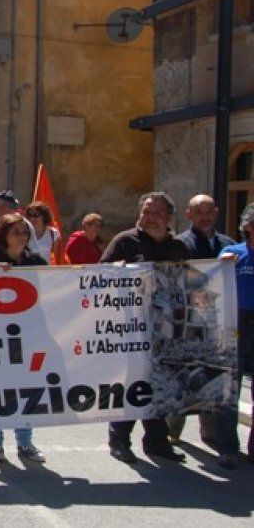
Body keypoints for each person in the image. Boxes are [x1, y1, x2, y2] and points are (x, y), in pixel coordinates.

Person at [101, 191, 188, 464]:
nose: (149, 218)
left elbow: (194, 281)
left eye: (156, 213)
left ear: (169, 217)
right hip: (130, 328)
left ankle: (156, 441)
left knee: (161, 383)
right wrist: (118, 270)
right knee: (132, 384)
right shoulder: (124, 241)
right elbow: (99, 275)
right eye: (145, 212)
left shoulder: (179, 247)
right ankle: (119, 440)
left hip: (166, 328)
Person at [170, 194, 237, 464]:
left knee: (221, 381)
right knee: (183, 379)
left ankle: (220, 441)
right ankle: (172, 430)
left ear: (217, 212)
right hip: (187, 324)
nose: (205, 216)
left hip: (221, 326)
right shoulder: (179, 245)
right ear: (189, 214)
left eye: (209, 211)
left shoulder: (229, 245)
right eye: (199, 211)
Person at [0, 213, 48, 463]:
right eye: (15, 232)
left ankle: (25, 442)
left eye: (24, 232)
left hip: (31, 334)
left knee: (27, 389)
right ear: (3, 236)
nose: (21, 236)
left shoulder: (37, 261)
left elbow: (57, 287)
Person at [219, 203, 254, 467]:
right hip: (236, 322)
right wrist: (221, 266)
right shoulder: (232, 252)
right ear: (248, 227)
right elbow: (212, 281)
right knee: (230, 389)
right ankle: (228, 447)